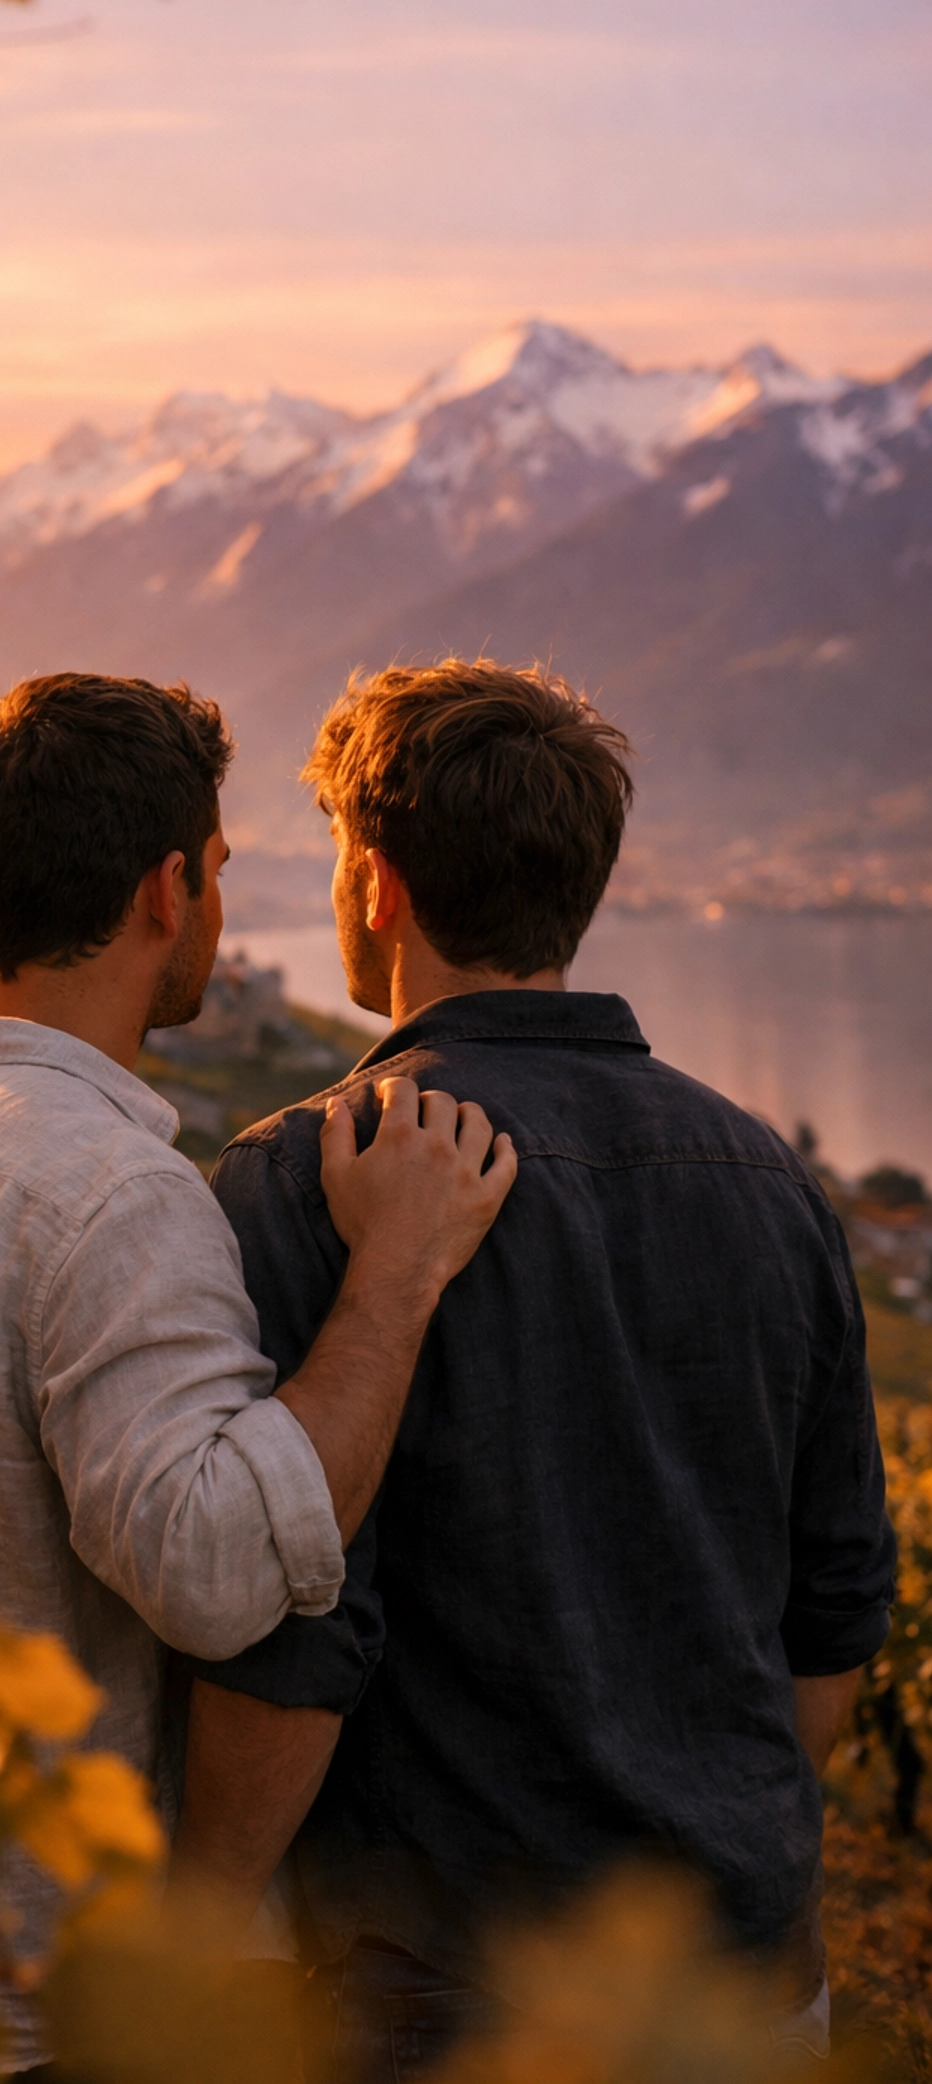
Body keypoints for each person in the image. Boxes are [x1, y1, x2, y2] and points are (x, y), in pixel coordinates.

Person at [0, 671, 515, 2073]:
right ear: (167, 891)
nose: (214, 905)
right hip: (58, 2003)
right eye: (213, 872)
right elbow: (218, 1573)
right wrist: (396, 1275)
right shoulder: (114, 1190)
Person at [173, 659, 896, 2079]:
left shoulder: (311, 1180)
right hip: (746, 1986)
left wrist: (192, 1933)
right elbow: (833, 1636)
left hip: (449, 2007)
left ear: (375, 887)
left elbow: (295, 1639)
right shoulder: (774, 1187)